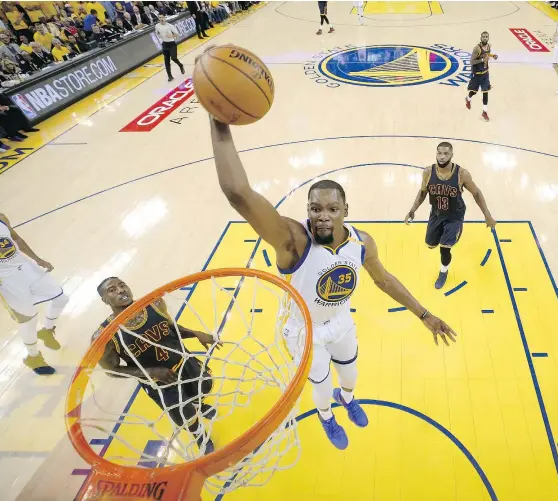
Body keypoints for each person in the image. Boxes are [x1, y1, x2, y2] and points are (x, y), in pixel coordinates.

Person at [208, 116, 457, 450]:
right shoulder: (292, 241)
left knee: (350, 376)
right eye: (315, 208)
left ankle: (348, 398)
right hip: (303, 330)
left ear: (345, 211)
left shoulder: (361, 242)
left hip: (340, 320)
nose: (323, 214)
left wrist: (425, 315)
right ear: (307, 211)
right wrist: (220, 126)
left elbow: (383, 280)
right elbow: (238, 193)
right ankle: (327, 417)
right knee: (321, 387)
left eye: (332, 208)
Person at [94, 277, 220, 453]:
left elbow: (170, 328)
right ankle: (200, 436)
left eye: (122, 285)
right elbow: (113, 371)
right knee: (185, 415)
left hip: (183, 362)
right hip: (159, 382)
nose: (121, 290)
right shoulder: (105, 335)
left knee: (202, 389)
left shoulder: (154, 304)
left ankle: (200, 405)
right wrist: (152, 371)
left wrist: (195, 333)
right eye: (112, 290)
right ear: (105, 300)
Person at [404, 142, 496, 289]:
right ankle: (445, 237)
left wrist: (487, 215)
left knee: (445, 248)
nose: (442, 156)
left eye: (446, 153)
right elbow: (422, 192)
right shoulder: (428, 172)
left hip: (454, 215)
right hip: (436, 213)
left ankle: (443, 271)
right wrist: (412, 210)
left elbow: (476, 193)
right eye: (439, 153)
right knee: (430, 244)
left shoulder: (461, 174)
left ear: (452, 155)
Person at [0, 213, 68, 376]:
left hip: (26, 269)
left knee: (61, 298)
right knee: (28, 320)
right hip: (6, 282)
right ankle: (33, 356)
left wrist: (38, 259)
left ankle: (47, 331)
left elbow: (17, 239)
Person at [465, 31, 498, 121]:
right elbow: (471, 61)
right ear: (480, 38)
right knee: (474, 92)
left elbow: (487, 55)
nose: (485, 38)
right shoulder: (477, 49)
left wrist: (493, 55)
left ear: (488, 38)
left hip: (485, 74)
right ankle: (468, 99)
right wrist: (483, 59)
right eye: (483, 37)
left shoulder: (488, 46)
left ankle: (484, 112)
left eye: (486, 37)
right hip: (477, 74)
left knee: (485, 92)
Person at [155, 14, 184, 82]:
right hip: (164, 44)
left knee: (173, 58)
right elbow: (157, 33)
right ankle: (170, 76)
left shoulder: (170, 26)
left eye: (162, 17)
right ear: (158, 19)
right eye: (160, 17)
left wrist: (171, 36)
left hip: (172, 44)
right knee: (166, 61)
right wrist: (161, 37)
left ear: (165, 18)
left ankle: (180, 65)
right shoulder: (157, 26)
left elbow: (177, 34)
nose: (161, 19)